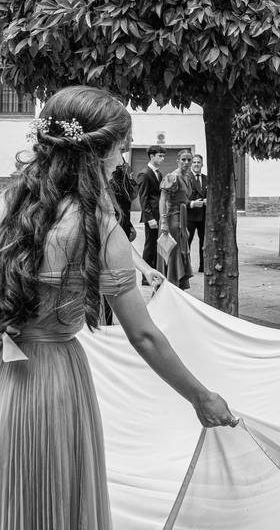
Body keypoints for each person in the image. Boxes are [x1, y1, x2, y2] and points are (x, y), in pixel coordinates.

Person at [0, 85, 237, 530]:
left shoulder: (10, 207)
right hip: (55, 381)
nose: (122, 157)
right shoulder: (99, 226)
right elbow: (143, 334)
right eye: (120, 147)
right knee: (59, 499)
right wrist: (200, 396)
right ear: (98, 152)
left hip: (7, 379)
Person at [158, 149, 195, 289]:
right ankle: (170, 286)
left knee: (181, 251)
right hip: (171, 219)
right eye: (183, 159)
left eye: (189, 160)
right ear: (178, 160)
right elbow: (163, 200)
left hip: (182, 219)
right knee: (172, 253)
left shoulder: (187, 177)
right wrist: (163, 222)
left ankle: (178, 286)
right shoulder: (172, 177)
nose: (186, 162)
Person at [136, 144, 165, 280]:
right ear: (152, 156)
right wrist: (149, 218)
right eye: (160, 156)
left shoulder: (158, 173)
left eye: (163, 156)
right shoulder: (144, 173)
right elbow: (143, 198)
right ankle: (145, 277)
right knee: (150, 245)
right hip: (151, 216)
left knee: (156, 245)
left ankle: (155, 272)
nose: (162, 158)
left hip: (159, 214)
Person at [186, 154, 207, 273]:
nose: (196, 164)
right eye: (194, 162)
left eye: (198, 162)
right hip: (190, 216)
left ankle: (203, 266)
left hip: (203, 216)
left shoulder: (206, 178)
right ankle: (186, 267)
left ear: (202, 164)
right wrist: (192, 202)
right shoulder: (187, 178)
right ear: (191, 165)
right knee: (187, 242)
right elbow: (182, 197)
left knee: (204, 242)